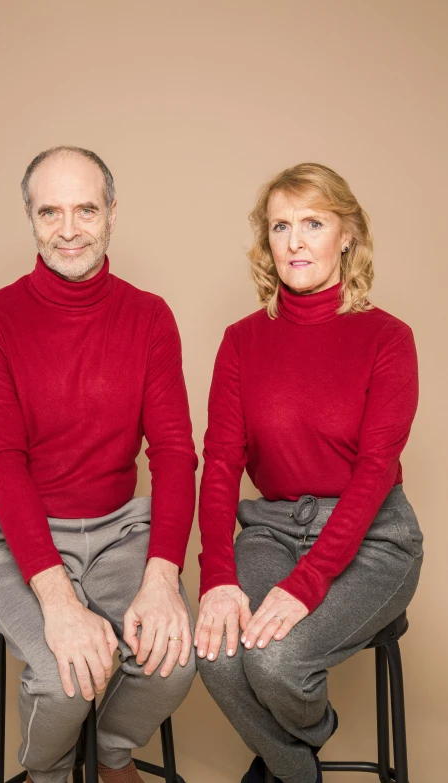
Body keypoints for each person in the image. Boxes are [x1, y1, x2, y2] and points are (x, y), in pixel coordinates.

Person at [0, 146, 198, 783]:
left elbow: (173, 453)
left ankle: (112, 756)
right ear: (31, 220)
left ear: (112, 213)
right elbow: (2, 465)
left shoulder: (148, 316)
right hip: (21, 532)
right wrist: (57, 601)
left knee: (174, 659)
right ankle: (50, 771)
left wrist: (162, 577)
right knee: (66, 684)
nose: (68, 229)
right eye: (50, 212)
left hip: (120, 527)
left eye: (85, 209)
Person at [195, 162, 423, 783]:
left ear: (346, 234)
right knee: (216, 656)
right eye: (280, 226)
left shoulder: (388, 339)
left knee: (276, 663)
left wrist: (308, 583)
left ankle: (287, 756)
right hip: (271, 530)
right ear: (266, 240)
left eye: (313, 223)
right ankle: (299, 763)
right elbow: (219, 465)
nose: (294, 241)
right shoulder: (242, 341)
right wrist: (216, 575)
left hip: (372, 536)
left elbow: (376, 473)